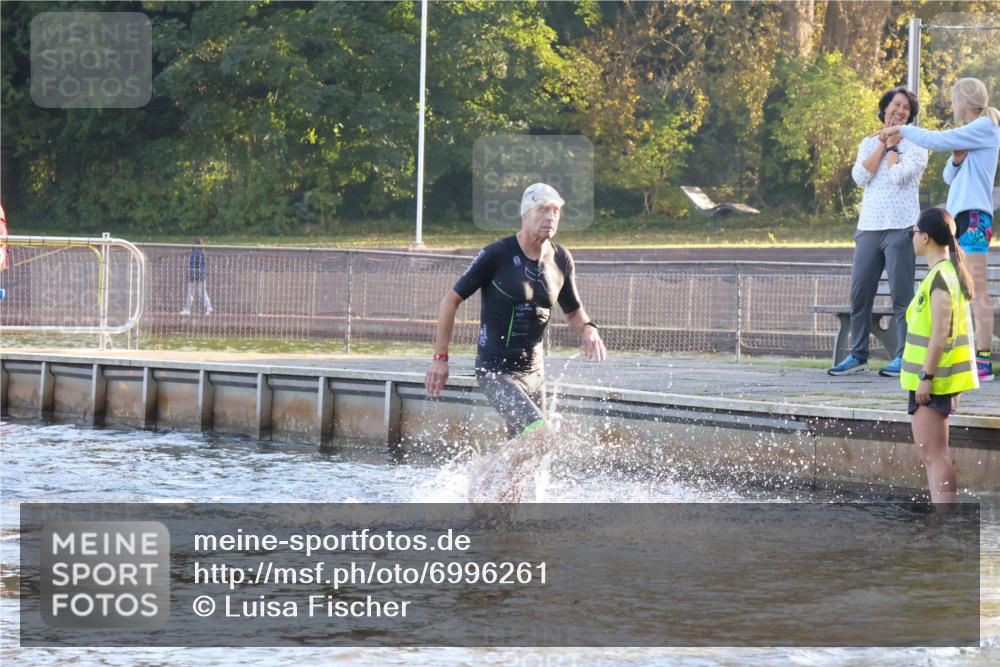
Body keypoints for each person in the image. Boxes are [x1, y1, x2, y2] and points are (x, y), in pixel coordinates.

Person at [425, 183, 606, 499]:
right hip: (497, 371)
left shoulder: (561, 259)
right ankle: (481, 475)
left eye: (555, 212)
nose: (549, 218)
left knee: (525, 464)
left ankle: (500, 524)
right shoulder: (496, 254)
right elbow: (449, 301)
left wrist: (588, 328)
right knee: (542, 437)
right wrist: (441, 358)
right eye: (542, 210)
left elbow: (574, 311)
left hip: (534, 375)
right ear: (525, 214)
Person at [882, 77, 1000, 382]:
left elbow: (937, 140)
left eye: (954, 99)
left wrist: (903, 129)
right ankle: (962, 352)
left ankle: (983, 359)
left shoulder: (984, 126)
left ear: (965, 101)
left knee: (976, 288)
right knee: (960, 286)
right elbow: (949, 175)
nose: (952, 105)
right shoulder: (969, 135)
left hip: (974, 217)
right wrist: (958, 159)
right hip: (959, 216)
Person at [829, 86, 928, 377]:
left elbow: (899, 177)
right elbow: (860, 176)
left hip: (901, 228)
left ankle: (904, 357)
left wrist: (895, 147)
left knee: (901, 295)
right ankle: (858, 355)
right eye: (895, 105)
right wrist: (882, 146)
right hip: (869, 227)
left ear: (910, 116)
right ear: (885, 108)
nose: (899, 111)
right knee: (860, 294)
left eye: (906, 109)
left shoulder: (917, 145)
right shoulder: (868, 142)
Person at [901, 208, 979, 504]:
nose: (912, 238)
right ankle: (944, 518)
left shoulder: (941, 278)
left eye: (913, 233)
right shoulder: (944, 273)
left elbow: (940, 335)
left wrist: (927, 377)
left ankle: (943, 522)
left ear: (926, 237)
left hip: (933, 379)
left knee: (933, 454)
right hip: (937, 378)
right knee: (934, 453)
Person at [180, 238, 213, 315]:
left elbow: (194, 265)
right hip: (200, 276)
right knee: (202, 292)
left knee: (191, 292)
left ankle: (187, 309)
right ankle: (208, 307)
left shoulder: (195, 253)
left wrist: (191, 274)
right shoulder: (201, 253)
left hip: (195, 276)